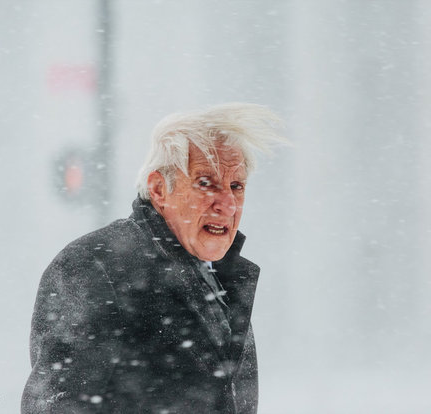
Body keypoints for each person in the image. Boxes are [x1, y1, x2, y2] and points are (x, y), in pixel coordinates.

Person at [22, 103, 284, 413]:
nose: (227, 203)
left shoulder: (221, 282)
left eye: (236, 186)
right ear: (159, 189)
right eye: (205, 182)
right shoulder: (96, 266)